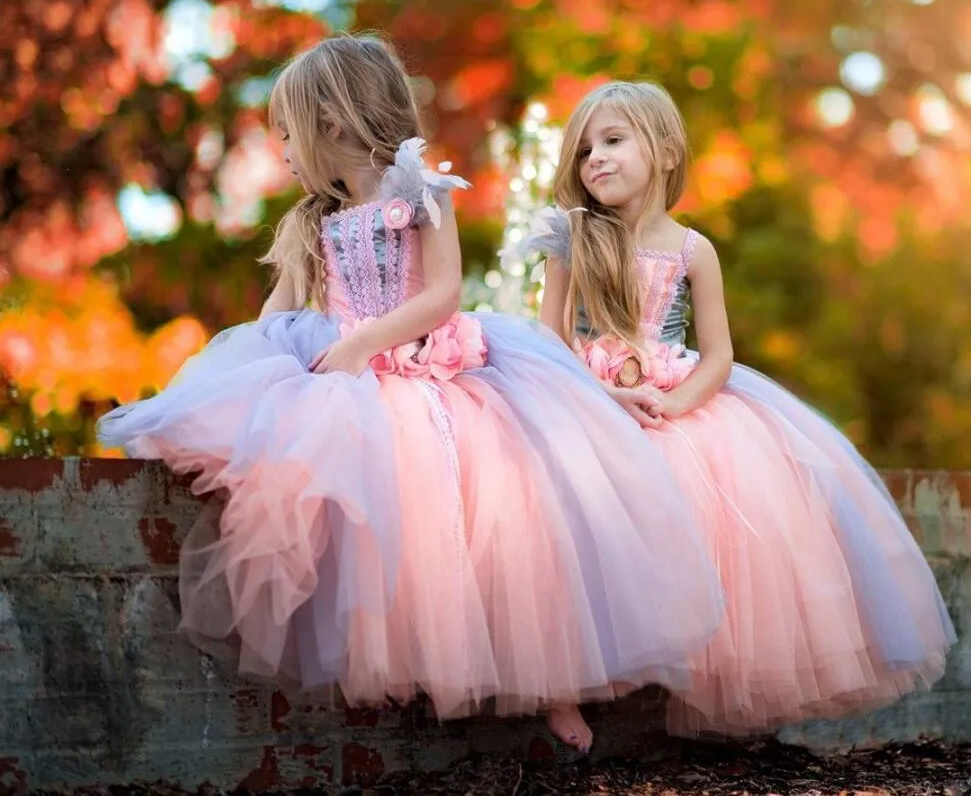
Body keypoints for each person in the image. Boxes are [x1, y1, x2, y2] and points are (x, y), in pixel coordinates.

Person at [98, 37, 725, 753]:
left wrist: (365, 344)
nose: (280, 149)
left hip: (435, 379)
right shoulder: (311, 219)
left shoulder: (420, 189)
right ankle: (422, 664)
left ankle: (554, 687)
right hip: (352, 383)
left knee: (512, 528)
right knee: (390, 536)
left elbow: (444, 292)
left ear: (330, 122)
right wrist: (247, 379)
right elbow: (276, 312)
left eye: (285, 131)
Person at [528, 79, 955, 736]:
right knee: (556, 512)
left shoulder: (694, 251)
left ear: (665, 152)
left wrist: (673, 406)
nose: (595, 160)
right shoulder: (572, 237)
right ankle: (562, 683)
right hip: (587, 395)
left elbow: (719, 355)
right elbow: (549, 335)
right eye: (583, 150)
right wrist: (604, 396)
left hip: (673, 398)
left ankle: (705, 668)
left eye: (612, 141)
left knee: (719, 520)